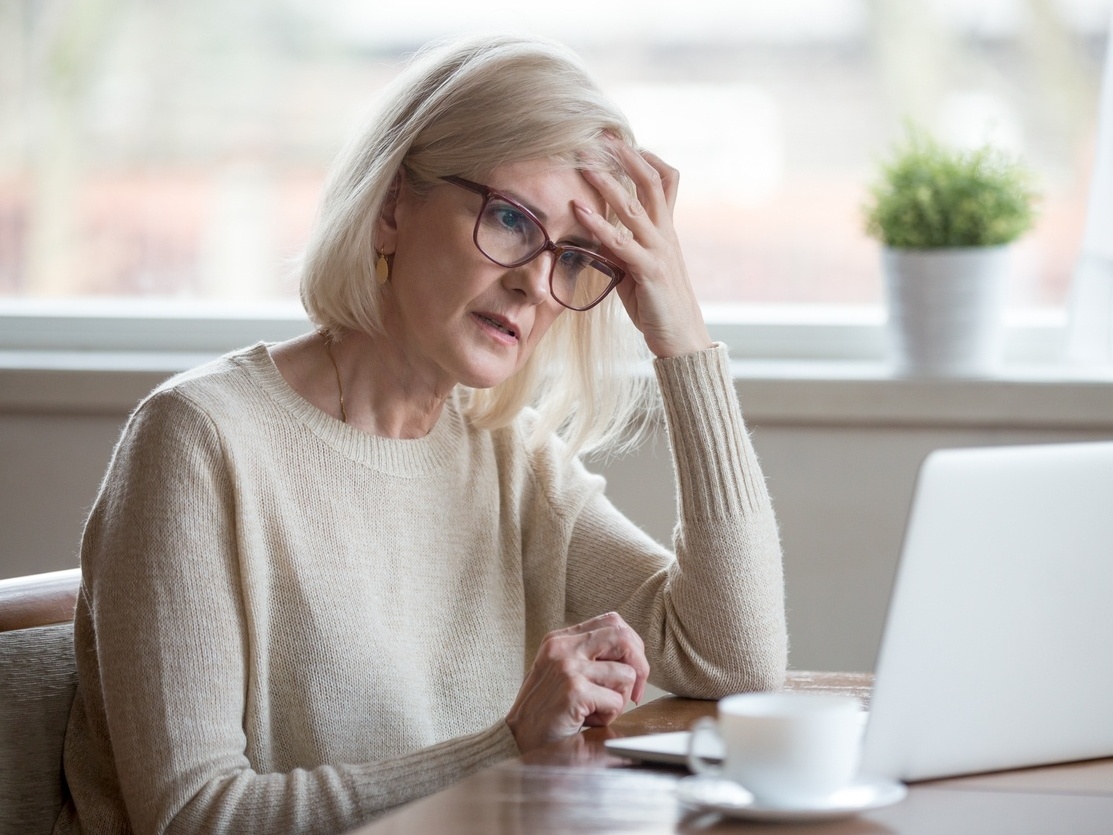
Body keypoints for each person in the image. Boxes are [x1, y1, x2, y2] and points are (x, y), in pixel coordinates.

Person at [55, 34, 787, 834]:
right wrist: (501, 748)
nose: (534, 284)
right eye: (510, 219)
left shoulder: (511, 455)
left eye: (574, 257)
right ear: (393, 206)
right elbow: (191, 816)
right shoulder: (198, 441)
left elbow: (731, 657)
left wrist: (679, 332)